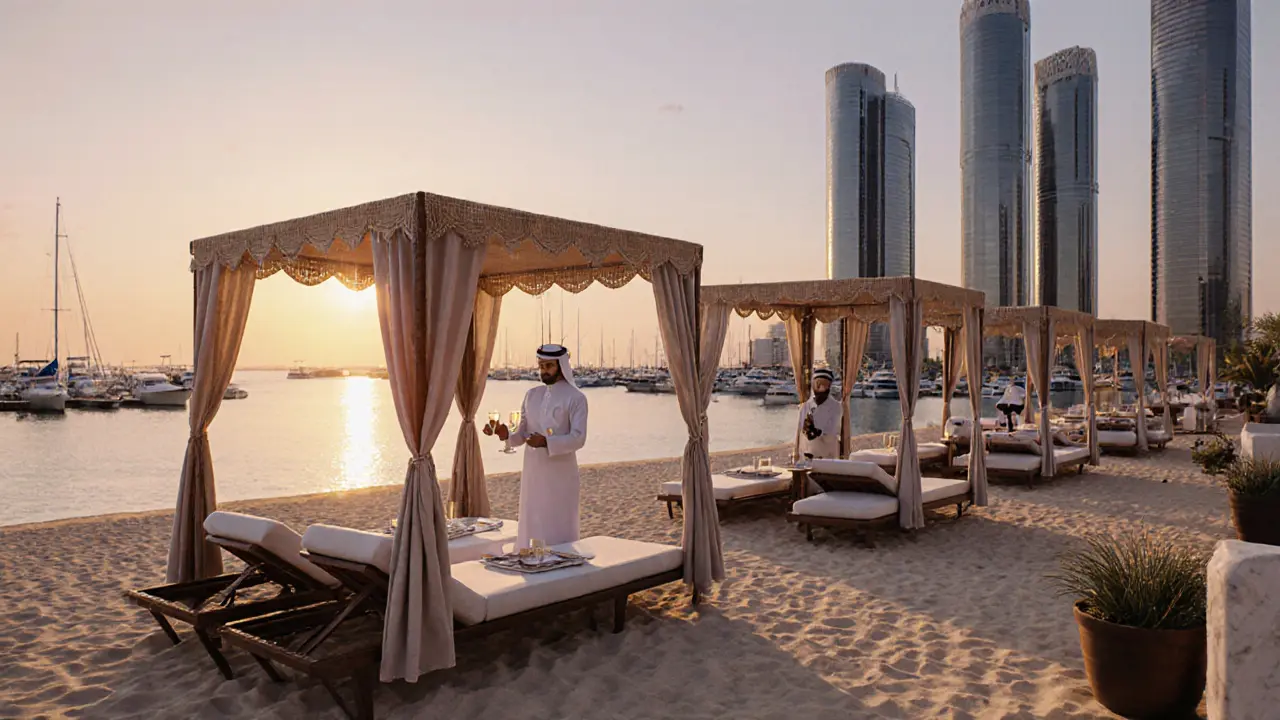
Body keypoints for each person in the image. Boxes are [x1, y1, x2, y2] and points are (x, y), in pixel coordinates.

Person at [489, 344, 588, 548]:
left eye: (549, 365)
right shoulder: (531, 395)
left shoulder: (577, 398)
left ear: (561, 366)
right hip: (533, 473)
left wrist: (546, 442)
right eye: (541, 365)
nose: (544, 370)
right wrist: (506, 435)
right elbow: (523, 435)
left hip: (561, 475)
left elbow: (578, 438)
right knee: (533, 518)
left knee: (559, 521)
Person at [796, 368, 842, 461]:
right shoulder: (805, 406)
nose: (820, 387)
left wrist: (815, 431)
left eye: (824, 384)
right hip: (806, 458)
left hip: (827, 458)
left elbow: (831, 433)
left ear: (829, 386)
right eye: (818, 384)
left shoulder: (836, 407)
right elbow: (799, 432)